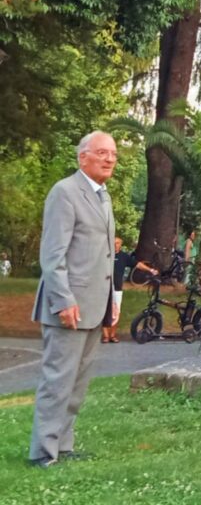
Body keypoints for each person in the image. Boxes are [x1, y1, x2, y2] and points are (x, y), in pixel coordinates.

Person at [29, 131, 117, 467]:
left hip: (95, 307)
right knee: (57, 381)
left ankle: (63, 445)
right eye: (101, 153)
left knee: (77, 384)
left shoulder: (103, 196)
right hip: (68, 306)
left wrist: (112, 300)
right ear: (83, 157)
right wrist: (64, 299)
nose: (109, 159)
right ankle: (43, 452)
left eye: (113, 154)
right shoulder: (65, 193)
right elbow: (53, 256)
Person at [101, 236, 156, 343]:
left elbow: (138, 264)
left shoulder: (124, 256)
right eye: (113, 243)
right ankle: (105, 336)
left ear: (120, 245)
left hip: (117, 288)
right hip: (104, 288)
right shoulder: (105, 255)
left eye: (117, 243)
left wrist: (151, 270)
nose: (115, 245)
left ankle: (112, 335)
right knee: (104, 311)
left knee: (116, 312)